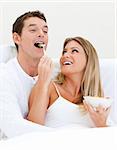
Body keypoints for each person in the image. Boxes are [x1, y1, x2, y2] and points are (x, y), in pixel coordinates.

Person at [27, 36, 113, 128]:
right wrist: (43, 83)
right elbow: (32, 128)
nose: (65, 55)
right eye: (64, 52)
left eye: (74, 51)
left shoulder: (96, 99)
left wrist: (101, 125)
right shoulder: (47, 87)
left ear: (88, 60)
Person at [0, 10, 54, 139]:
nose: (41, 34)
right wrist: (70, 136)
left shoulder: (54, 73)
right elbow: (13, 127)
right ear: (17, 38)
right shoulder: (5, 76)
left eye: (45, 31)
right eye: (33, 30)